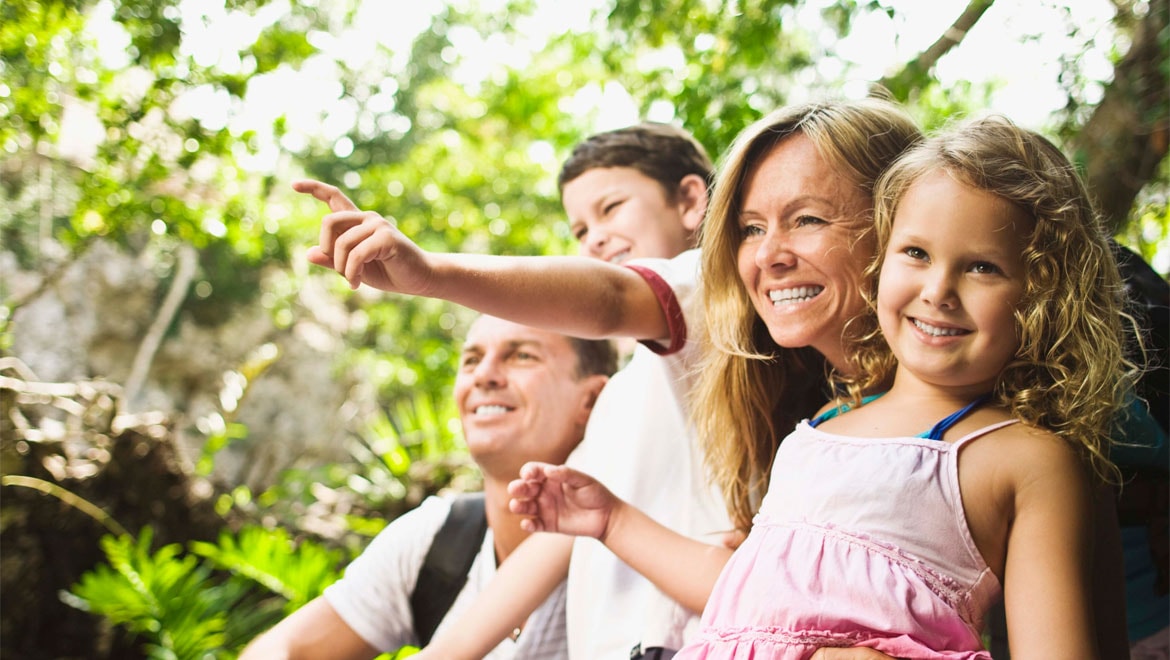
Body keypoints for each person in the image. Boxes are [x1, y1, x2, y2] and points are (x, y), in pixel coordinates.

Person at [510, 114, 1135, 658]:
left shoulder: (1022, 455)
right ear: (882, 259)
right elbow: (754, 596)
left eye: (982, 267)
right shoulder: (822, 427)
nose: (937, 291)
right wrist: (612, 520)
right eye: (915, 253)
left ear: (1043, 296)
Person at [294, 122, 735, 658]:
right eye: (577, 230)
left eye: (611, 208)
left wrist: (431, 273)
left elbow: (612, 299)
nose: (593, 238)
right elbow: (555, 541)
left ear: (691, 201)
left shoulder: (709, 292)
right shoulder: (625, 392)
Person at [238, 315, 617, 660]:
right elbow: (287, 649)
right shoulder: (437, 540)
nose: (484, 375)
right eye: (470, 360)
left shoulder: (633, 548)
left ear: (595, 399)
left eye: (522, 357)